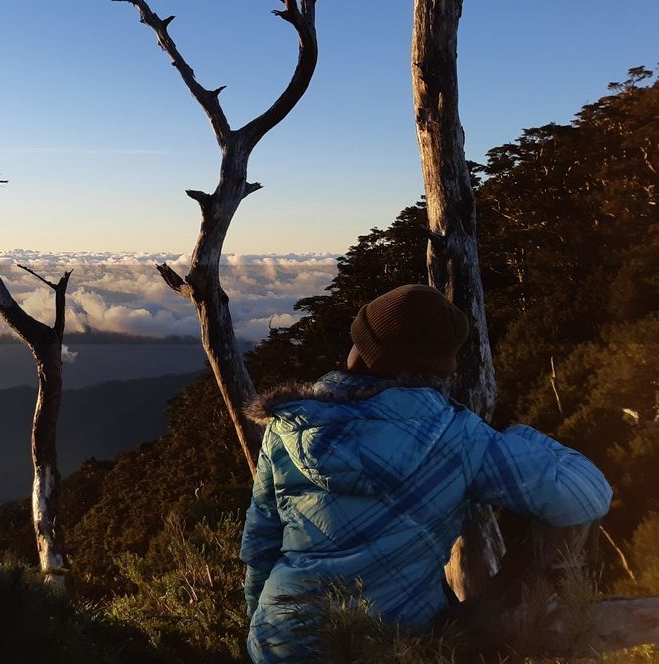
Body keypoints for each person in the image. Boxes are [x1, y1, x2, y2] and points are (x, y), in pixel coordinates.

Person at [240, 284, 612, 663]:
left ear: (364, 353)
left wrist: (259, 620)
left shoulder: (290, 425)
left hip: (282, 640)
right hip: (395, 642)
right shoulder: (462, 438)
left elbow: (260, 542)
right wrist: (519, 437)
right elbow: (586, 494)